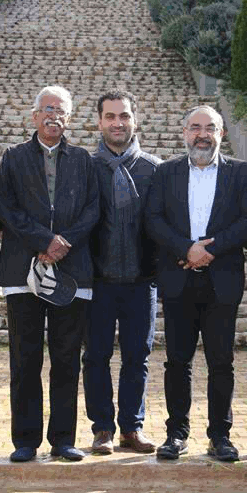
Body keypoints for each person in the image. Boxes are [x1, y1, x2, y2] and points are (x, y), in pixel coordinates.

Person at [145, 105, 247, 462]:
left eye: (210, 127)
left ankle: (220, 436)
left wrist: (211, 250)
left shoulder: (242, 173)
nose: (202, 134)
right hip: (179, 279)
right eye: (195, 127)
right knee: (177, 362)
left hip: (221, 281)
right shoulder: (165, 173)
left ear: (221, 133)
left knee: (221, 362)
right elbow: (152, 218)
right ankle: (176, 434)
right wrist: (186, 249)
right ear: (184, 133)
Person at [0, 85, 100, 463]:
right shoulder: (14, 157)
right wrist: (43, 240)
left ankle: (62, 439)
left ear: (69, 119)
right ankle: (25, 440)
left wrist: (63, 243)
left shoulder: (84, 161)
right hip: (23, 269)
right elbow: (6, 207)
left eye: (61, 110)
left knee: (67, 357)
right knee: (24, 358)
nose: (53, 115)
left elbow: (92, 210)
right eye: (46, 108)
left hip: (71, 270)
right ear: (34, 115)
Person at [83, 90, 161, 455]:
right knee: (95, 356)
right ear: (99, 122)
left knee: (137, 358)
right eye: (111, 116)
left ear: (135, 119)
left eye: (124, 116)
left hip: (141, 281)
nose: (118, 123)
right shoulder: (83, 167)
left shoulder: (155, 169)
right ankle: (102, 429)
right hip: (96, 281)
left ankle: (132, 427)